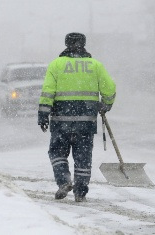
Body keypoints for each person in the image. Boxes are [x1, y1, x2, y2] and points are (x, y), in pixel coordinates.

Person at [38, 32, 116, 202]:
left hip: (61, 120)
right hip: (86, 121)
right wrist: (106, 104)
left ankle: (64, 181)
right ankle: (80, 192)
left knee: (57, 152)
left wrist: (43, 113)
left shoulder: (56, 65)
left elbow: (48, 92)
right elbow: (109, 88)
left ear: (66, 44)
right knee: (83, 157)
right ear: (84, 44)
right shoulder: (95, 65)